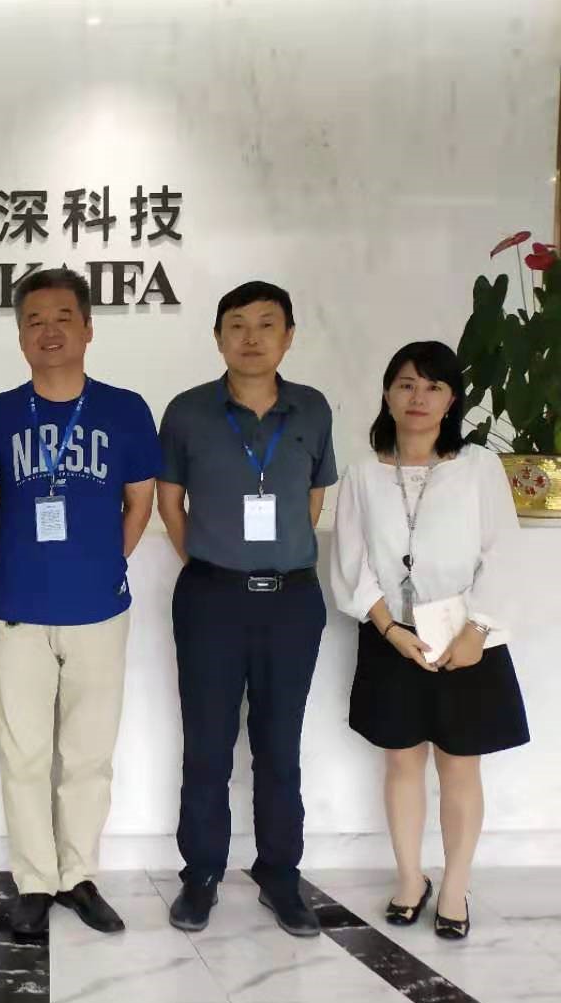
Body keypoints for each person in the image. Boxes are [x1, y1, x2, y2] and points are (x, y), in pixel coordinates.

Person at [0, 268, 161, 937]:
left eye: (62, 318)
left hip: (99, 610)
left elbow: (140, 501)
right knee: (23, 756)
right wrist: (9, 567)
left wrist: (106, 563)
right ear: (20, 335)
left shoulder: (126, 410)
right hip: (19, 610)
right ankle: (34, 881)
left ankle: (78, 876)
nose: (48, 331)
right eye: (34, 320)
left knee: (88, 755)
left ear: (87, 328)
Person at [156, 280, 335, 937]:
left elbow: (312, 500)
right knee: (206, 745)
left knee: (279, 746)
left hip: (292, 601)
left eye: (266, 324)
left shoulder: (311, 408)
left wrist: (273, 558)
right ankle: (201, 875)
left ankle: (280, 875)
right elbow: (170, 503)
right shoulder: (187, 411)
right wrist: (212, 561)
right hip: (211, 599)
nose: (251, 337)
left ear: (288, 336)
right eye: (237, 324)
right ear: (218, 337)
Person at [331, 340, 527, 940]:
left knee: (460, 765)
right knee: (401, 760)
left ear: (451, 400)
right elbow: (352, 561)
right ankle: (410, 879)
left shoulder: (478, 468)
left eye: (433, 386)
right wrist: (390, 629)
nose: (419, 397)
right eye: (407, 384)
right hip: (392, 636)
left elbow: (502, 552)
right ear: (387, 394)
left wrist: (477, 629)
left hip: (467, 637)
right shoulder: (363, 474)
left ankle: (456, 888)